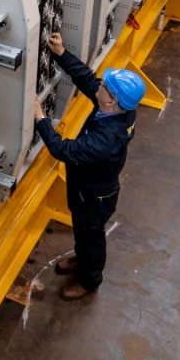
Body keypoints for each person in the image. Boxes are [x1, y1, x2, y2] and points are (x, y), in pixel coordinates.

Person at [32, 32, 146, 300]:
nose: (99, 86)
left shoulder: (107, 140)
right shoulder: (119, 109)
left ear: (111, 99)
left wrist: (40, 119)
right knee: (83, 230)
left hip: (95, 195)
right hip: (87, 185)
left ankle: (89, 280)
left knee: (91, 236)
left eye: (105, 87)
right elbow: (87, 79)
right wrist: (61, 52)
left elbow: (63, 150)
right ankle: (81, 258)